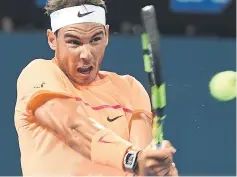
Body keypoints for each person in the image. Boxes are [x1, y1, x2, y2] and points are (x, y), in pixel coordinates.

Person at [14, 0, 178, 176]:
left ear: (106, 35)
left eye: (95, 39)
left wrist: (157, 167)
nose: (86, 54)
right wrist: (133, 159)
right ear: (52, 40)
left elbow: (142, 162)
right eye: (74, 43)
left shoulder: (129, 89)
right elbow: (73, 127)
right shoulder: (38, 73)